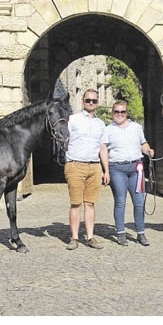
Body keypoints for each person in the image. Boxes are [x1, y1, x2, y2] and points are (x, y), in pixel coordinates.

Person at [100, 100, 154, 246]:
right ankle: (121, 233)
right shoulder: (108, 129)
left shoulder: (136, 127)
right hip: (117, 168)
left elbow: (143, 144)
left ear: (126, 113)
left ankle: (141, 233)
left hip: (136, 169)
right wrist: (105, 171)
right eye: (116, 111)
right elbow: (103, 149)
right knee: (120, 202)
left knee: (139, 202)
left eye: (122, 111)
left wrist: (148, 150)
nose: (120, 114)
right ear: (112, 113)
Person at [64, 89, 106, 250]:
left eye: (94, 101)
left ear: (97, 103)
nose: (91, 103)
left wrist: (105, 170)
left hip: (94, 166)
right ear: (82, 101)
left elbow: (102, 148)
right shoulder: (72, 120)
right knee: (75, 203)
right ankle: (74, 238)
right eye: (88, 100)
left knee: (90, 203)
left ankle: (90, 237)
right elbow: (62, 138)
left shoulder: (101, 124)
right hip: (75, 165)